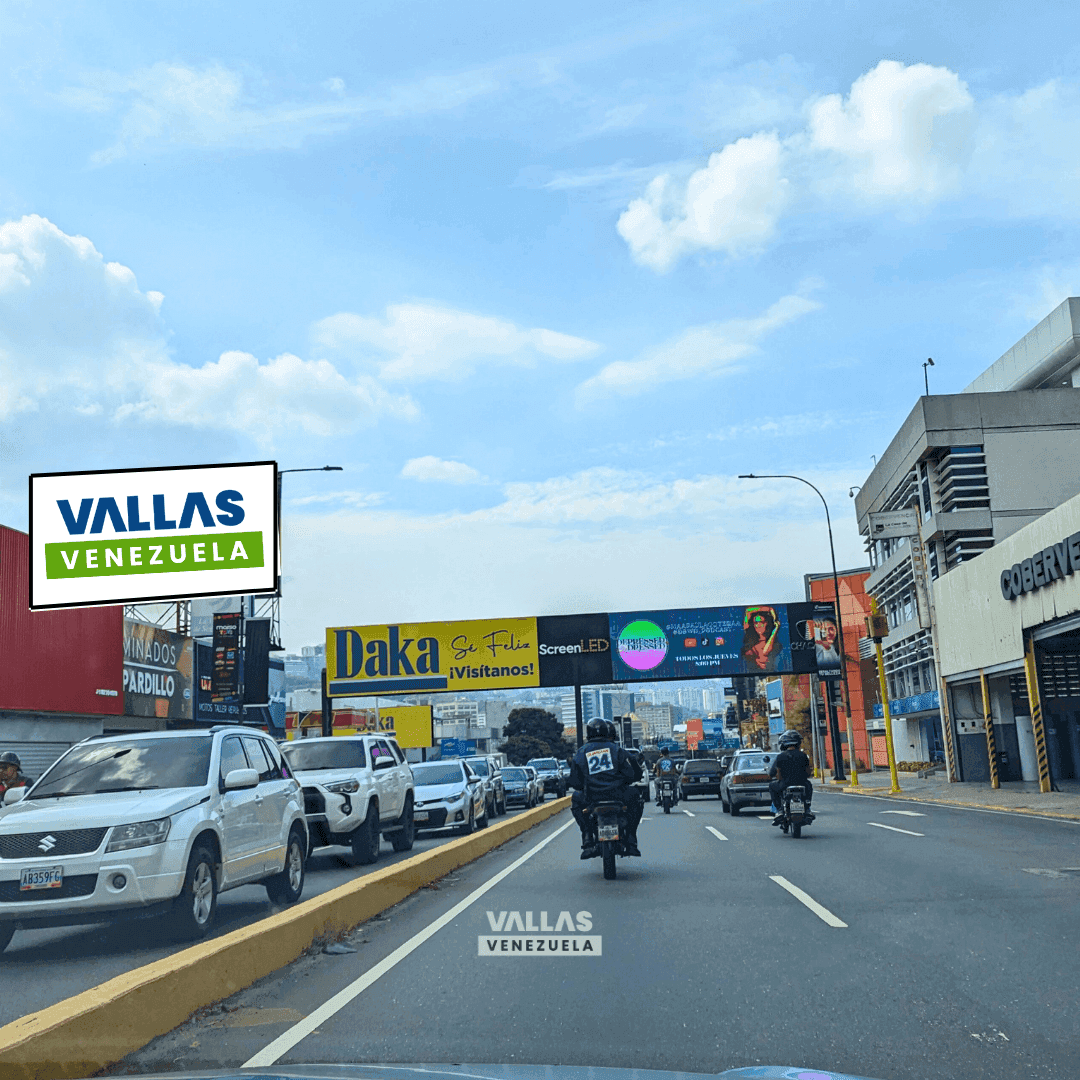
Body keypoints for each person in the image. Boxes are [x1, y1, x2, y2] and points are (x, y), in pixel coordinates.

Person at [569, 718, 641, 858]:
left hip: (591, 797)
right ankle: (631, 839)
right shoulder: (617, 750)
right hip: (617, 795)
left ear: (588, 733)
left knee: (576, 799)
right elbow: (630, 774)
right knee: (636, 797)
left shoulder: (580, 753)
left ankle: (588, 838)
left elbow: (575, 783)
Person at [769, 730, 814, 825]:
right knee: (809, 785)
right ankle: (807, 807)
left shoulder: (780, 757)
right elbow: (808, 772)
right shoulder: (803, 755)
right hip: (802, 783)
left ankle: (780, 810)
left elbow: (772, 772)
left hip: (784, 784)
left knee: (772, 786)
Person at [741, 607, 781, 672]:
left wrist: (775, 630)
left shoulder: (774, 643)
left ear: (767, 623)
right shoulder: (750, 637)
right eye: (755, 623)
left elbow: (765, 651)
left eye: (761, 622)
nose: (758, 625)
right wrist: (770, 609)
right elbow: (748, 611)